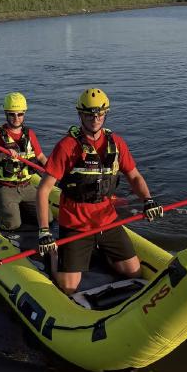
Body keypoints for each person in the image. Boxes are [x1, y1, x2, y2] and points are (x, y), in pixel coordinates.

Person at [35, 87, 163, 295]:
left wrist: (148, 200)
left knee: (133, 272)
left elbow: (135, 176)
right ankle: (55, 253)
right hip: (75, 224)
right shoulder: (67, 146)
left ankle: (101, 251)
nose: (95, 119)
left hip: (106, 220)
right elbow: (43, 190)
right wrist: (44, 231)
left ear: (105, 114)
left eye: (100, 114)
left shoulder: (117, 143)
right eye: (89, 114)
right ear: (80, 115)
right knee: (68, 287)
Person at [0, 92, 52, 231]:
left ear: (24, 113)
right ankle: (1, 211)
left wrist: (53, 173)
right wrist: (1, 155)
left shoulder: (29, 134)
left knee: (47, 219)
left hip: (27, 186)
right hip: (5, 188)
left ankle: (19, 208)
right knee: (13, 225)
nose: (16, 118)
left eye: (20, 114)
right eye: (12, 114)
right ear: (6, 113)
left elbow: (41, 157)